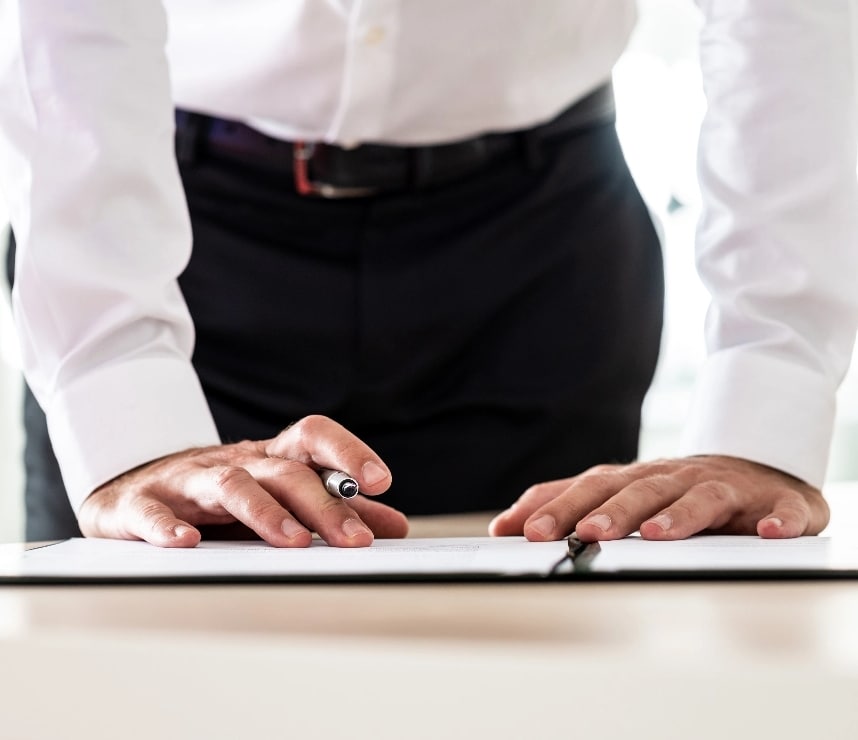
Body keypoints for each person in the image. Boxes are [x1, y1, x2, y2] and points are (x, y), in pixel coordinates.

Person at [0, 1, 854, 548]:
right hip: (172, 234)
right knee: (137, 687)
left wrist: (764, 414)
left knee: (532, 687)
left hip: (535, 252)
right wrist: (122, 408)